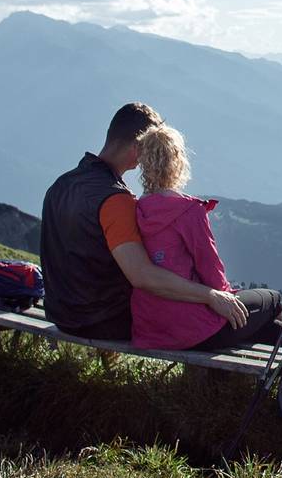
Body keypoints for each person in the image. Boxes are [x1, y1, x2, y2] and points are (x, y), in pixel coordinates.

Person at [39, 102, 250, 341]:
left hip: (61, 314)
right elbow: (142, 275)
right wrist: (210, 295)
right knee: (246, 312)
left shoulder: (61, 185)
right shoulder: (115, 200)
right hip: (103, 320)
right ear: (140, 146)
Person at [130, 123, 282, 350]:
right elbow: (211, 270)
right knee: (272, 300)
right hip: (194, 329)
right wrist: (226, 297)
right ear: (178, 161)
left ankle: (225, 382)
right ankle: (271, 380)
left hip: (151, 328)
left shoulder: (137, 209)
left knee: (264, 327)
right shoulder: (187, 211)